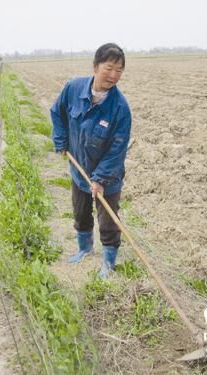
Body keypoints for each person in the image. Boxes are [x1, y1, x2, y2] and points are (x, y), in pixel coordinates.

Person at [50, 43, 132, 278]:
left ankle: (108, 262)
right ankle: (84, 249)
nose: (114, 75)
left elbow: (117, 149)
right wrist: (61, 140)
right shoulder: (73, 88)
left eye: (119, 71)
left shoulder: (120, 108)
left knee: (108, 220)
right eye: (109, 68)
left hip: (108, 176)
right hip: (79, 170)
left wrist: (100, 179)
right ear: (95, 66)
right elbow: (57, 112)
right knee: (81, 212)